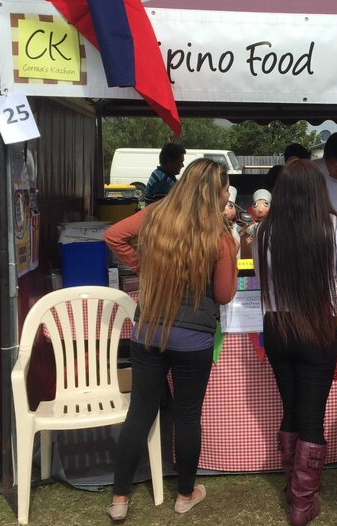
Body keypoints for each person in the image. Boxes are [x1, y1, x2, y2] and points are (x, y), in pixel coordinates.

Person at [104, 159, 238, 521]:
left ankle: (119, 499)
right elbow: (224, 295)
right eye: (226, 189)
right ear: (214, 192)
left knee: (140, 412)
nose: (229, 195)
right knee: (187, 416)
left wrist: (144, 265)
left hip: (149, 331)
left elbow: (113, 235)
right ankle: (184, 494)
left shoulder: (156, 214)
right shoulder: (220, 236)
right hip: (193, 338)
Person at [253, 159, 337, 526]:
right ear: (319, 190)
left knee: (291, 408)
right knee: (311, 416)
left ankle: (292, 489)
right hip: (316, 327)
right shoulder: (335, 227)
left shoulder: (263, 231)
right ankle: (302, 503)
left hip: (277, 328)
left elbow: (259, 277)